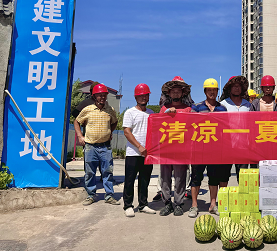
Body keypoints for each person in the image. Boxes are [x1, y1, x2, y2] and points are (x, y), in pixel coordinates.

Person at [188, 78, 230, 217]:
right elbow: (190, 124)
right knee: (196, 177)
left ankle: (213, 204)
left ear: (217, 92)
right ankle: (194, 205)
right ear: (205, 91)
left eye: (214, 90)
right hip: (199, 149)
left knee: (214, 177)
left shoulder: (222, 109)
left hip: (215, 149)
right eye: (209, 90)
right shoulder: (196, 107)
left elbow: (225, 128)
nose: (212, 92)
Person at [74, 83, 119, 206]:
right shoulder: (87, 110)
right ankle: (91, 195)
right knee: (90, 172)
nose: (102, 97)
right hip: (90, 146)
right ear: (94, 96)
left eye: (104, 95)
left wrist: (110, 131)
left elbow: (115, 121)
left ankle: (109, 195)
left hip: (105, 147)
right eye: (99, 95)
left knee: (107, 172)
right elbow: (77, 121)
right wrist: (80, 136)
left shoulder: (110, 110)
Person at [158, 76, 193, 216]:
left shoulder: (188, 109)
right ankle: (167, 203)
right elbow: (157, 124)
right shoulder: (163, 109)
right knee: (165, 178)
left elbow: (194, 126)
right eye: (173, 91)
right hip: (166, 149)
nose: (176, 93)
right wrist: (167, 113)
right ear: (169, 93)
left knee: (180, 178)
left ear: (183, 93)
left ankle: (179, 203)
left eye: (178, 91)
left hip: (182, 150)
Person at [122, 84, 157, 216]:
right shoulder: (130, 112)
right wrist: (139, 146)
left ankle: (143, 204)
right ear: (136, 97)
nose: (143, 98)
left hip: (148, 154)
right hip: (133, 153)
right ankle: (128, 206)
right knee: (129, 180)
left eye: (146, 95)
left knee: (144, 180)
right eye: (140, 96)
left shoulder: (151, 113)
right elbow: (127, 132)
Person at [220, 76, 252, 183]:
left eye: (239, 86)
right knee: (224, 176)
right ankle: (223, 194)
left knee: (243, 177)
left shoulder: (248, 105)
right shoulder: (223, 104)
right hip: (227, 146)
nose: (237, 88)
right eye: (234, 86)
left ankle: (243, 195)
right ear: (229, 89)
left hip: (244, 146)